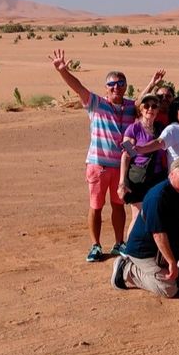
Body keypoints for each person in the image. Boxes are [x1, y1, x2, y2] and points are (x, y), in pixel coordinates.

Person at [49, 49, 136, 262]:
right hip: (98, 164)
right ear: (106, 88)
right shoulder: (96, 103)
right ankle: (95, 245)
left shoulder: (132, 107)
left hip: (120, 166)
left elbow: (148, 105)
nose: (116, 87)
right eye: (112, 84)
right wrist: (63, 71)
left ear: (125, 86)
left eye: (121, 83)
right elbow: (77, 87)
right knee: (96, 206)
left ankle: (119, 243)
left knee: (118, 205)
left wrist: (152, 83)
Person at [110, 157, 179, 298]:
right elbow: (158, 234)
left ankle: (178, 277)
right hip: (145, 251)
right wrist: (171, 262)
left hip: (164, 244)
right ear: (171, 174)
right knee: (168, 290)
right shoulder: (158, 197)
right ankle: (127, 269)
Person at [118, 93, 167, 238]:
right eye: (146, 105)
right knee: (138, 215)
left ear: (158, 110)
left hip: (157, 177)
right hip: (139, 176)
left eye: (154, 106)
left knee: (155, 214)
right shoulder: (133, 129)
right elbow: (126, 155)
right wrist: (122, 181)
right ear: (141, 108)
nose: (150, 109)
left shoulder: (160, 128)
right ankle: (130, 251)